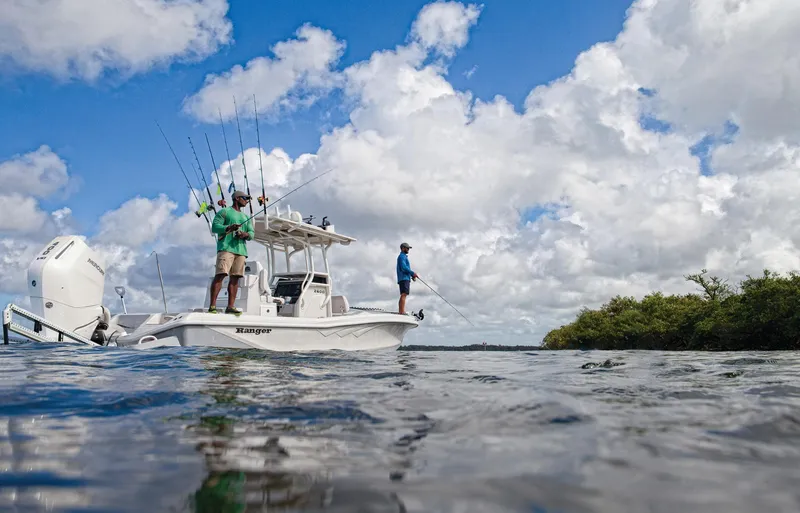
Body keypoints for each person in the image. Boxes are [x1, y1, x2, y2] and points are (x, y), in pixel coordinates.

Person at [208, 190, 255, 314]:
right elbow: (214, 227)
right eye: (245, 198)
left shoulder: (245, 217)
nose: (246, 201)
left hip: (241, 251)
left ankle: (230, 307)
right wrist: (228, 228)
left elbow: (251, 234)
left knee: (235, 278)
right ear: (237, 198)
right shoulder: (224, 212)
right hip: (226, 248)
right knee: (221, 275)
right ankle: (212, 306)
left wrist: (244, 234)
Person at [396, 242, 418, 314]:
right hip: (404, 278)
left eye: (408, 248)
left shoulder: (403, 257)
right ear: (403, 248)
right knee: (404, 294)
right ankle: (402, 311)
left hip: (405, 278)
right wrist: (412, 273)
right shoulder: (402, 256)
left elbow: (405, 268)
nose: (408, 249)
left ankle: (401, 311)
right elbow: (403, 267)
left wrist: (412, 275)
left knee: (404, 294)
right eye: (407, 248)